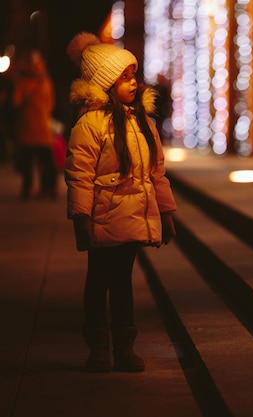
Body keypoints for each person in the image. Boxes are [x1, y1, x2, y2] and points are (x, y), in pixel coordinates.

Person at [65, 32, 177, 373]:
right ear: (105, 83)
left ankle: (125, 347)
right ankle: (99, 347)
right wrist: (81, 217)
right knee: (99, 281)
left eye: (133, 75)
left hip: (131, 216)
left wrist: (166, 212)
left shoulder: (143, 121)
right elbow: (79, 174)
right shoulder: (90, 124)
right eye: (124, 77)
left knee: (124, 282)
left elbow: (156, 172)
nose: (132, 83)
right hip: (103, 216)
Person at [12, 50, 57, 199]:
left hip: (27, 128)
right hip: (44, 127)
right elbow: (51, 104)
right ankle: (50, 189)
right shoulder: (46, 81)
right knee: (47, 162)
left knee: (27, 163)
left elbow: (16, 101)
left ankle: (26, 190)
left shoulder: (22, 81)